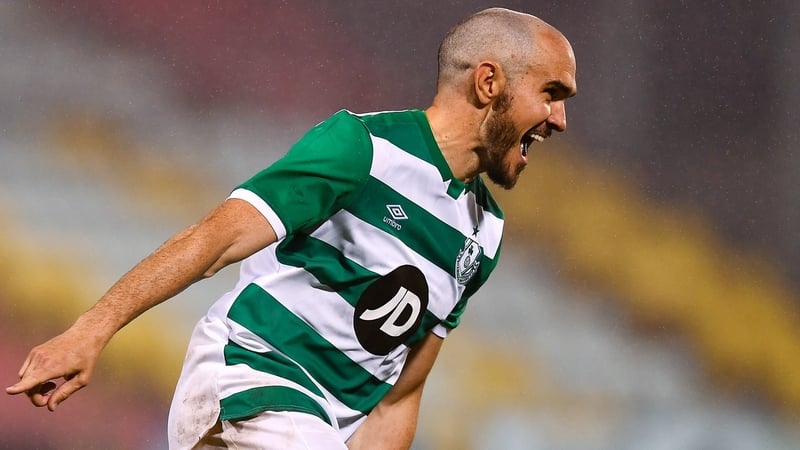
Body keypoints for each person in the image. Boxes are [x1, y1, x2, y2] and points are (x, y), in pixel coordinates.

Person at [6, 7, 576, 449]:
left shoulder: (483, 235)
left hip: (314, 426)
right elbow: (215, 240)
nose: (560, 119)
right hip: (252, 377)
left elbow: (398, 399)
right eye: (550, 94)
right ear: (488, 83)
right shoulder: (363, 148)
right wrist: (91, 330)